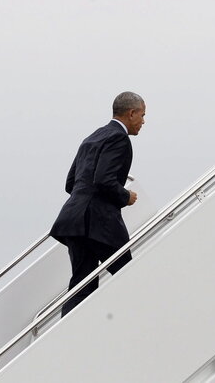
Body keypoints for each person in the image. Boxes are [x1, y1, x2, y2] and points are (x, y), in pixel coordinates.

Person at [51, 91, 146, 316]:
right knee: (131, 276)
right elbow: (104, 180)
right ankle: (134, 323)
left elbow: (70, 183)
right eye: (142, 115)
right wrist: (125, 196)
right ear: (131, 113)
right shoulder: (119, 138)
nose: (143, 122)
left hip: (73, 220)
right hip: (98, 223)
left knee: (82, 285)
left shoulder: (92, 137)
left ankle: (67, 332)